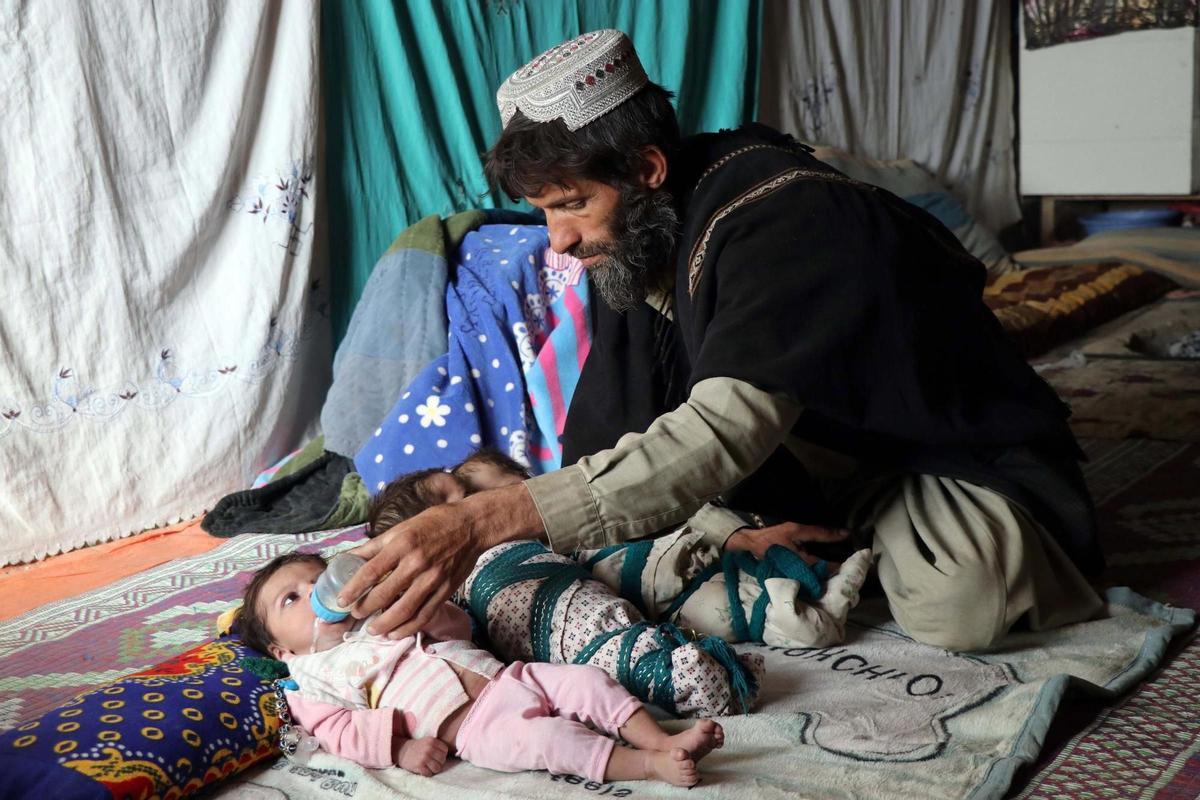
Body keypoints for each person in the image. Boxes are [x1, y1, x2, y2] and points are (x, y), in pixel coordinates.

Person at [342, 29, 1103, 653]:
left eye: (571, 205)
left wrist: (482, 519)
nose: (559, 241)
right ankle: (823, 534)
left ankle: (890, 532)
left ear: (646, 169)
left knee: (960, 607)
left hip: (928, 451)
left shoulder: (786, 217)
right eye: (545, 212)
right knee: (628, 544)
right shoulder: (636, 241)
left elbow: (721, 431)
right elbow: (612, 436)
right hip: (803, 454)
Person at [239, 551, 723, 786]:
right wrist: (401, 749)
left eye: (315, 580)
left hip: (511, 676)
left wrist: (421, 608)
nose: (314, 595)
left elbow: (459, 629)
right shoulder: (315, 677)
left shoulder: (380, 615)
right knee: (549, 743)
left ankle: (661, 739)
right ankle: (648, 765)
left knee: (588, 681)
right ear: (282, 651)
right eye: (292, 599)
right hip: (475, 726)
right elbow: (341, 729)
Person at [371, 449, 872, 649]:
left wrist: (736, 532)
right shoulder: (505, 586)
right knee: (729, 610)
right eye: (453, 513)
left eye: (466, 485)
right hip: (690, 591)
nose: (474, 512)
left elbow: (668, 499)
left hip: (722, 530)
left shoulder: (583, 496)